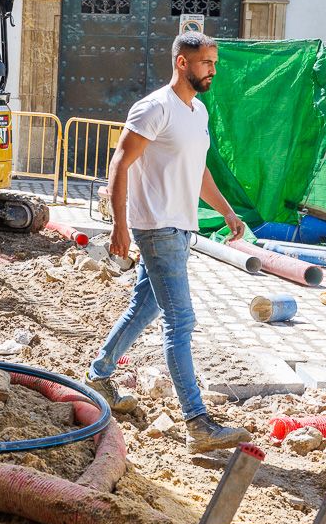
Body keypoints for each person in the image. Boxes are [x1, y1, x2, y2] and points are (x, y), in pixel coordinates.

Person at [83, 31, 252, 455]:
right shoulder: (155, 108)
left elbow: (199, 173)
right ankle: (197, 422)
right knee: (181, 321)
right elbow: (120, 163)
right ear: (182, 63)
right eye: (206, 63)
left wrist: (228, 211)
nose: (213, 69)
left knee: (147, 306)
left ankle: (100, 373)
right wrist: (120, 227)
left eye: (214, 62)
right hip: (156, 228)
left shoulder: (197, 112)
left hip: (180, 227)